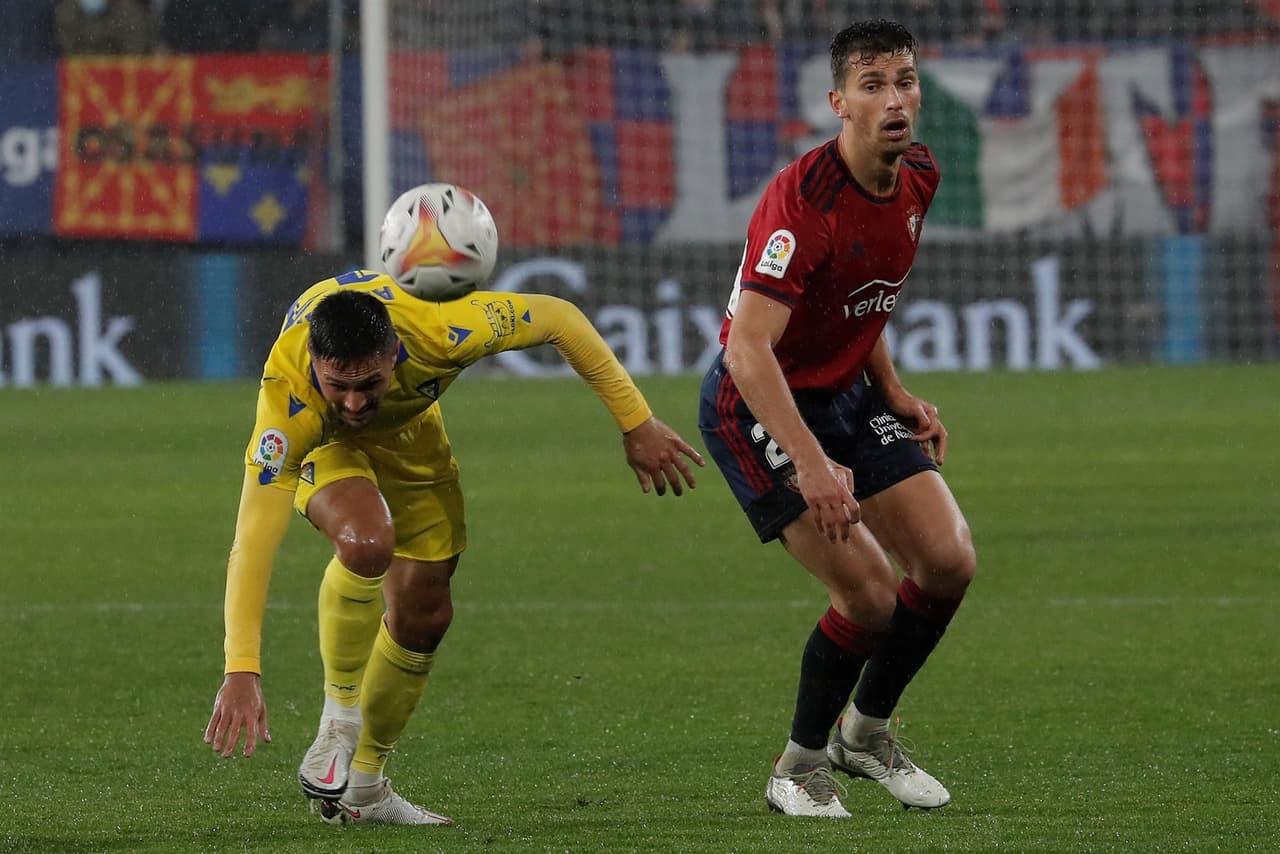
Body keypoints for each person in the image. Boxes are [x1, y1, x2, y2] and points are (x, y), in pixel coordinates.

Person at [203, 261, 704, 824]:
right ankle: (338, 721)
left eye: (368, 385)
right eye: (337, 386)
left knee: (425, 613)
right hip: (328, 451)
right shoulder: (287, 407)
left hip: (414, 440)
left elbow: (561, 318)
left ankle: (365, 788)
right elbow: (252, 540)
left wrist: (636, 422)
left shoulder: (442, 328)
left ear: (394, 354)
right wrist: (241, 668)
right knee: (367, 541)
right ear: (316, 366)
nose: (352, 404)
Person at [697, 19, 975, 818]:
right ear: (837, 103)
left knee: (949, 561)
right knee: (872, 596)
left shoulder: (918, 175)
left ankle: (868, 735)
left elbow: (863, 301)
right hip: (757, 402)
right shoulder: (801, 203)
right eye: (874, 85)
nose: (897, 101)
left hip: (845, 393)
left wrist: (892, 388)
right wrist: (811, 464)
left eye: (906, 82)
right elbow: (748, 352)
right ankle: (800, 764)